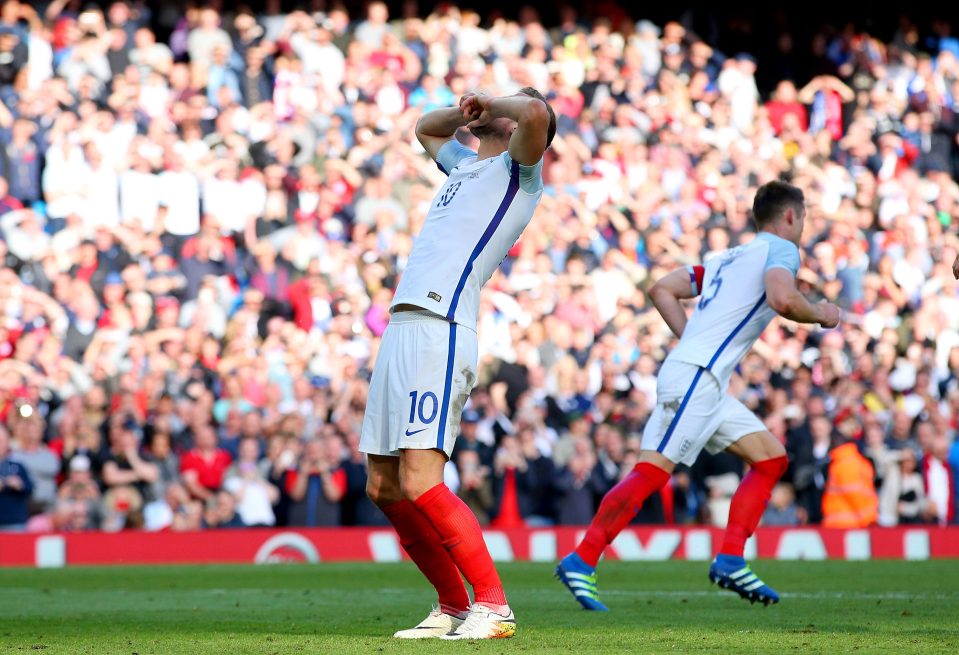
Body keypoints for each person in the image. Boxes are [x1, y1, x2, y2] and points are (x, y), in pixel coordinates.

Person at [556, 181, 842, 610]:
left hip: (702, 377)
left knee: (770, 459)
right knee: (651, 474)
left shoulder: (727, 257)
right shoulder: (781, 250)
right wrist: (821, 313)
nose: (802, 226)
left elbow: (661, 288)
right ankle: (582, 559)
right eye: (802, 218)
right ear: (789, 216)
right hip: (697, 376)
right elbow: (783, 299)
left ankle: (730, 558)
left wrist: (692, 341)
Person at [360, 88, 555, 640]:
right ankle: (452, 606)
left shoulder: (521, 173)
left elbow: (537, 113)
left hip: (441, 327)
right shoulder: (468, 167)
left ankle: (494, 606)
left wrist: (496, 99)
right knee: (384, 485)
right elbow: (426, 128)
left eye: (511, 106)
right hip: (403, 325)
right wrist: (468, 112)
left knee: (422, 478)